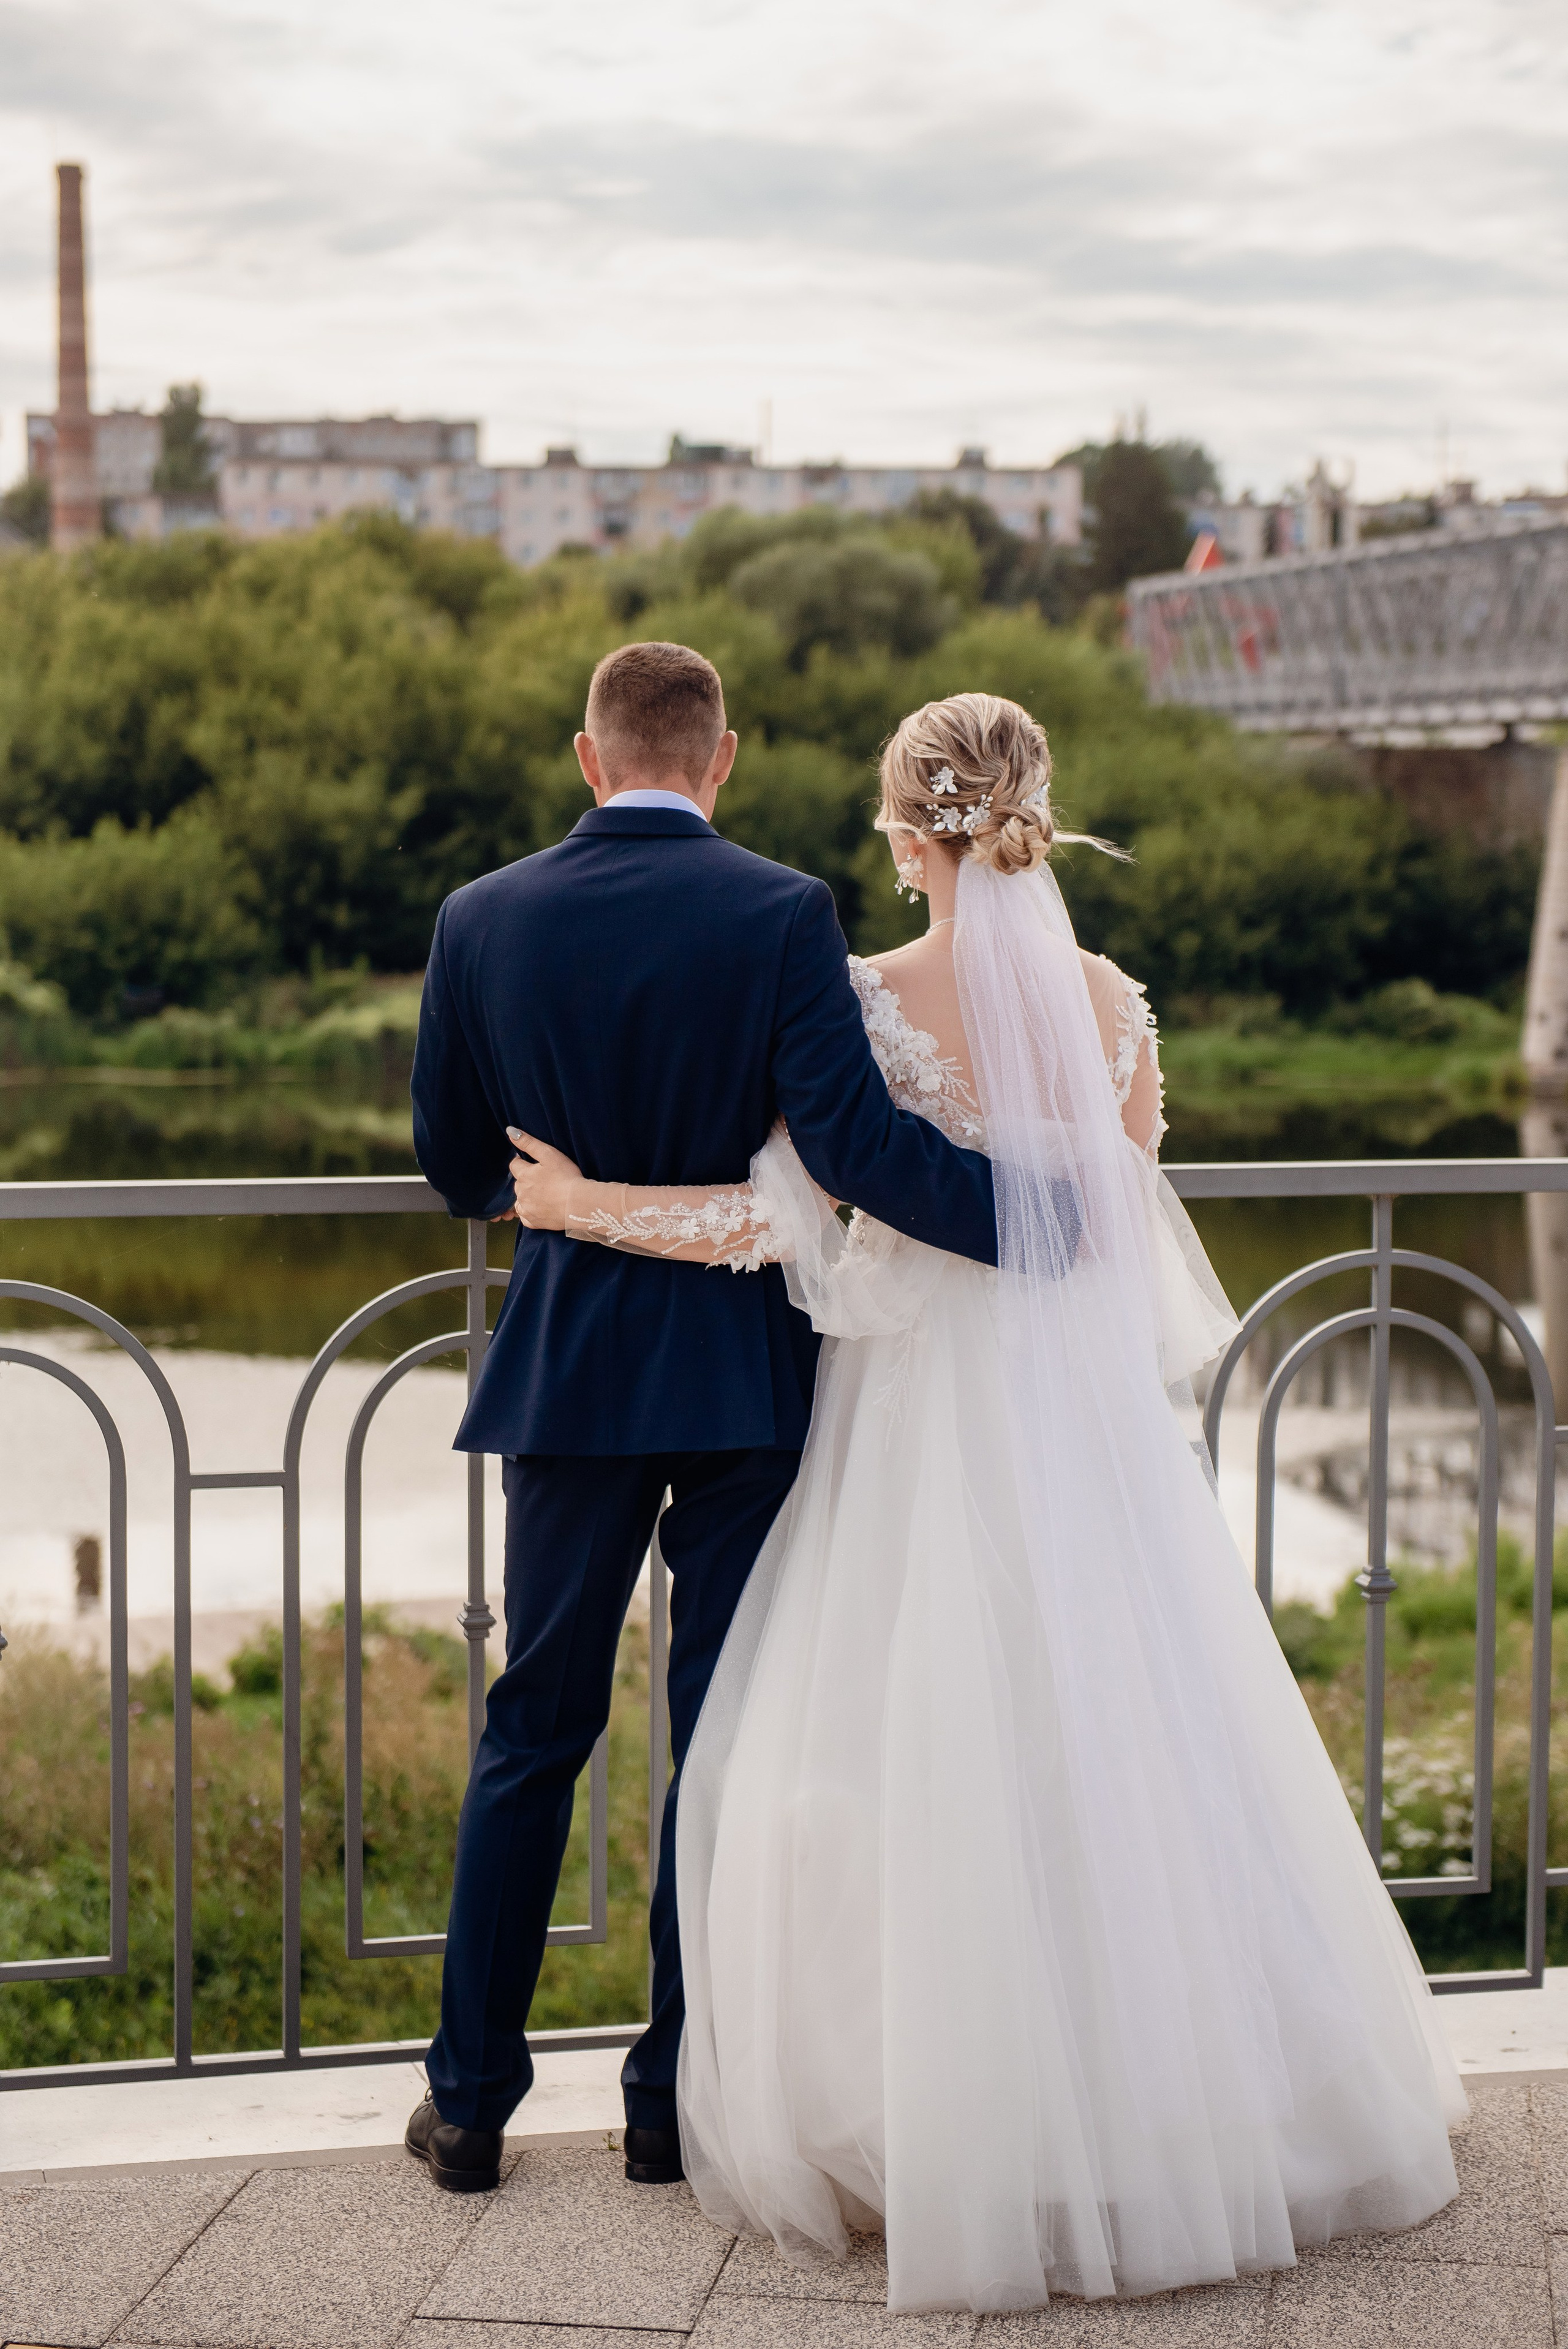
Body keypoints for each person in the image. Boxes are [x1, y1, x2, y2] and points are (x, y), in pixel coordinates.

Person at [507, 690, 1468, 2312]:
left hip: (908, 1413)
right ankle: (1172, 2105)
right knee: (1122, 1737)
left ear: (904, 830)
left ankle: (936, 2112)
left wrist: (582, 1204)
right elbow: (1115, 1225)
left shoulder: (863, 994)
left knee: (891, 1743)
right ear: (1034, 805)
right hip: (1081, 1438)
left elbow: (776, 1221)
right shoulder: (1113, 1005)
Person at [402, 642, 998, 2195]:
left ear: (587, 756)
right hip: (745, 1374)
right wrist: (1048, 1220)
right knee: (722, 1736)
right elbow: (855, 1149)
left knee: (532, 1729)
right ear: (720, 757)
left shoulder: (479, 916)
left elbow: (455, 1163)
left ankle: (468, 2105)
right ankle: (669, 2100)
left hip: (570, 1376)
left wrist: (562, 1192)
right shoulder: (785, 910)